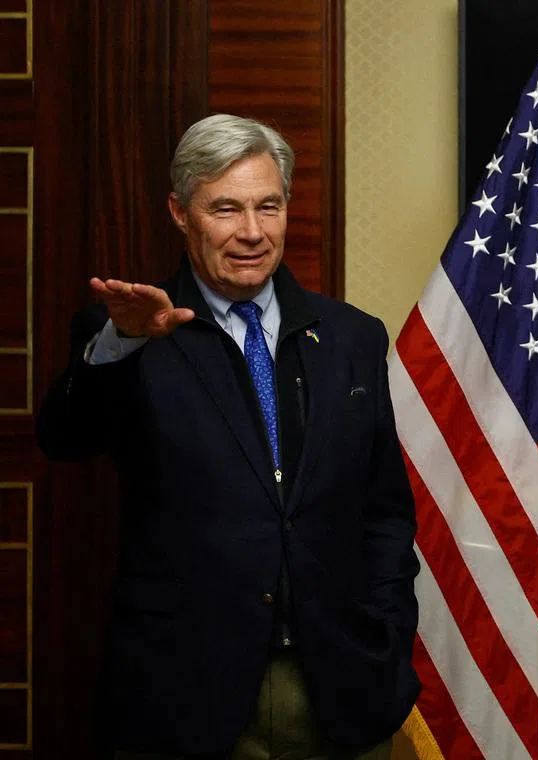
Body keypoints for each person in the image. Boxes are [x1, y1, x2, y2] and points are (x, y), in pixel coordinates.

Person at [36, 114, 419, 759]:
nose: (251, 232)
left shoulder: (353, 337)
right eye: (226, 208)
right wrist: (121, 343)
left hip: (342, 684)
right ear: (180, 213)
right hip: (189, 692)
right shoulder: (130, 329)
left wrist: (386, 630)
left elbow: (384, 511)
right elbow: (64, 438)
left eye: (268, 206)